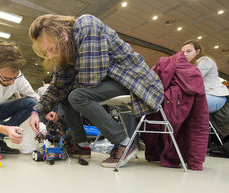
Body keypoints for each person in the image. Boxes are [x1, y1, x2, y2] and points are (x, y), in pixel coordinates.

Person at [28, 14, 164, 168]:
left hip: (133, 80)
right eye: (47, 52)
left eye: (51, 49)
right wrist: (35, 111)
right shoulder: (65, 50)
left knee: (76, 96)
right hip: (111, 82)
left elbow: (90, 80)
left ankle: (124, 143)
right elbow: (56, 88)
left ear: (63, 35)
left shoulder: (87, 25)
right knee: (66, 96)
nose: (51, 55)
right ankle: (82, 145)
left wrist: (64, 87)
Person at [181, 40, 229, 113]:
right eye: (182, 52)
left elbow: (192, 78)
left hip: (215, 96)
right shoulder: (191, 66)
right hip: (205, 96)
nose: (185, 54)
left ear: (197, 51)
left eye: (188, 51)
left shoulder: (205, 60)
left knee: (184, 104)